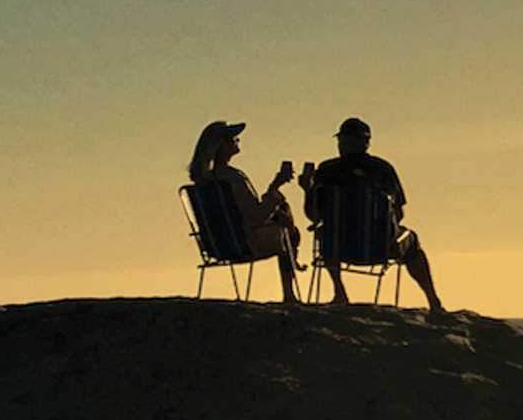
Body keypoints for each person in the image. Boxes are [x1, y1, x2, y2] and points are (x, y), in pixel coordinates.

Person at [301, 117, 445, 312]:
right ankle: (433, 300)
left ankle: (339, 292)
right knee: (412, 241)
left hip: (338, 245)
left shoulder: (327, 171)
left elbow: (314, 217)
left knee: (327, 231)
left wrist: (307, 190)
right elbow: (399, 213)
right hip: (379, 246)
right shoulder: (382, 169)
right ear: (366, 143)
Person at [186, 120, 303, 302]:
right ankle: (289, 293)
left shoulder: (205, 183)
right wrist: (276, 185)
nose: (237, 140)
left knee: (282, 211)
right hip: (246, 243)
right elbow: (257, 216)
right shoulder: (232, 178)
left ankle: (290, 245)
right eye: (232, 138)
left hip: (218, 245)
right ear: (220, 146)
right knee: (289, 232)